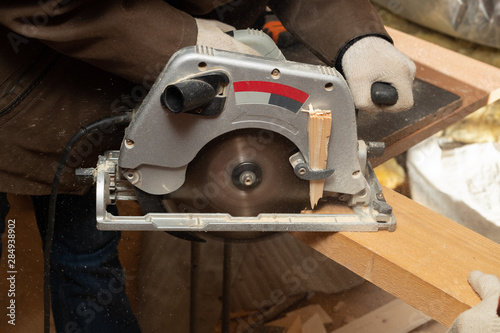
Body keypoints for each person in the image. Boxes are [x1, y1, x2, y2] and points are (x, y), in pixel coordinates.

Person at [0, 1, 495, 332]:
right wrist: (184, 37)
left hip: (206, 61)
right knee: (82, 253)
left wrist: (358, 37)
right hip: (59, 79)